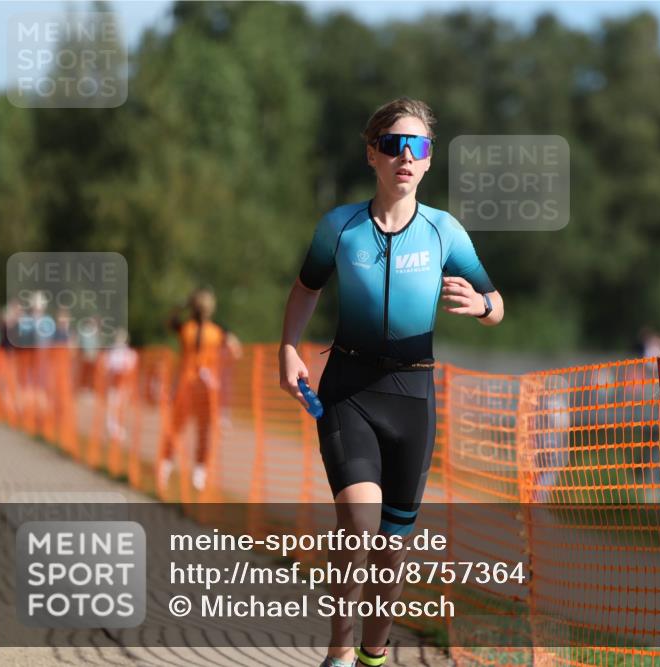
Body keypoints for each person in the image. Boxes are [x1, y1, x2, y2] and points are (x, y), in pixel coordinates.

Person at [278, 98, 504, 667]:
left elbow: (497, 304)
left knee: (391, 548)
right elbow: (306, 288)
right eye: (393, 145)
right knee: (358, 524)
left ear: (428, 160)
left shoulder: (444, 232)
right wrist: (289, 348)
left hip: (412, 398)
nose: (405, 156)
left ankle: (373, 657)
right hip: (349, 390)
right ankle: (338, 654)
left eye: (417, 146)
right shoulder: (339, 227)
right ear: (372, 155)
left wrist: (481, 305)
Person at [157, 288, 241, 493]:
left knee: (200, 430)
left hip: (203, 387)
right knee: (178, 427)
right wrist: (183, 306)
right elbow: (169, 321)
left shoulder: (214, 330)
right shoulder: (189, 328)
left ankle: (197, 472)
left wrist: (219, 363)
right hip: (188, 385)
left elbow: (235, 350)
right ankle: (169, 466)